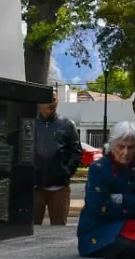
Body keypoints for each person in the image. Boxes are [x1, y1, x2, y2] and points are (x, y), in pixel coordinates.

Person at [77, 121, 135, 258]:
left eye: (131, 147)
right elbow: (99, 207)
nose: (126, 152)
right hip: (102, 233)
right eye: (121, 146)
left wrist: (120, 198)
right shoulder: (98, 169)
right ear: (112, 145)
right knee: (127, 252)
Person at [35, 89, 83, 226]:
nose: (51, 104)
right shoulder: (31, 124)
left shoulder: (67, 125)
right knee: (31, 228)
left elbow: (76, 152)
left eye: (54, 100)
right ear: (39, 103)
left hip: (59, 188)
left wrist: (65, 172)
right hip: (35, 187)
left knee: (58, 227)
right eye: (47, 100)